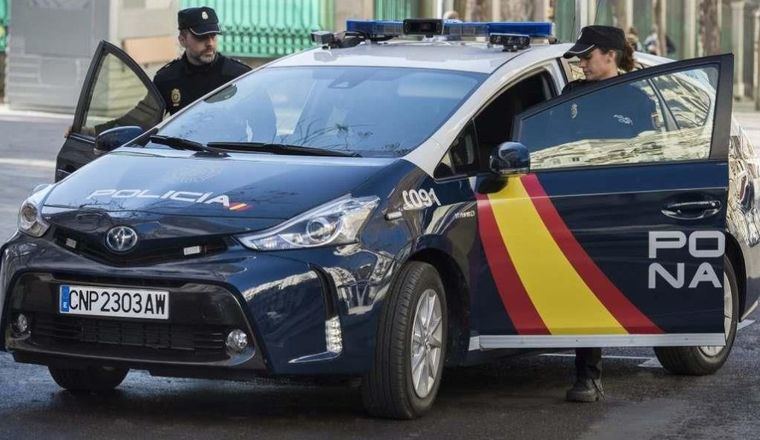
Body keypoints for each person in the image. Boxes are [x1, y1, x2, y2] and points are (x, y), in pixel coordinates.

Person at [560, 25, 651, 403]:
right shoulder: (571, 94)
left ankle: (590, 375)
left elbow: (650, 153)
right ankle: (583, 373)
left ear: (610, 55)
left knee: (600, 288)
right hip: (569, 203)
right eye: (580, 57)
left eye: (587, 56)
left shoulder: (637, 100)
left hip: (616, 206)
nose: (581, 63)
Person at [65, 6, 251, 137]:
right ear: (182, 39)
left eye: (213, 36)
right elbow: (140, 119)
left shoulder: (238, 75)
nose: (210, 43)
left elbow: (264, 120)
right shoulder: (168, 78)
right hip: (183, 157)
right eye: (201, 37)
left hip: (229, 156)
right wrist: (90, 132)